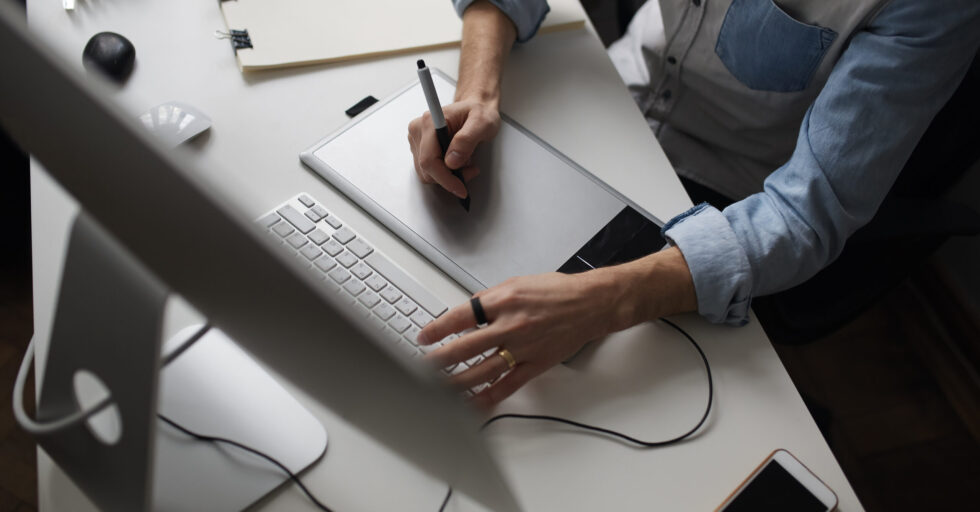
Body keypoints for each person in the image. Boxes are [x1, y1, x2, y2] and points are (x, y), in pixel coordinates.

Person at [406, 0, 980, 407]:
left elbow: (807, 213)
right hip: (611, 96)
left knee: (554, 407)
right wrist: (476, 92)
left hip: (724, 201)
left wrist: (603, 302)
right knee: (414, 256)